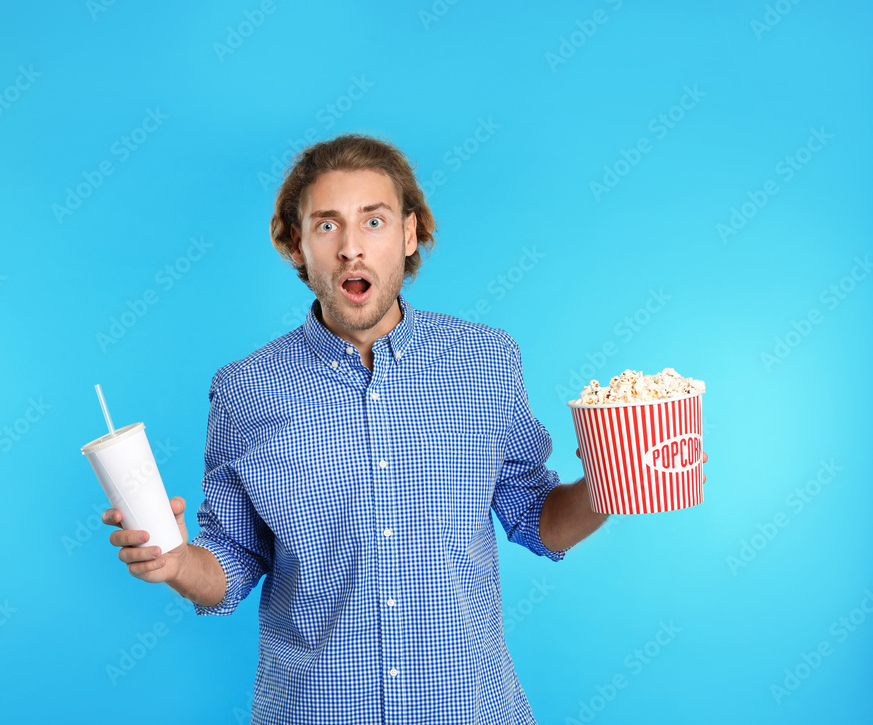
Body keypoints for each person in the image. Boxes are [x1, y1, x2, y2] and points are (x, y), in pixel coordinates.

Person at [102, 133, 705, 723]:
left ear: (409, 233)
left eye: (374, 221)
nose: (351, 248)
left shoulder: (486, 361)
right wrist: (176, 562)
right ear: (296, 244)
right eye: (327, 225)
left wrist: (614, 481)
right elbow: (231, 562)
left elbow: (537, 517)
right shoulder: (245, 389)